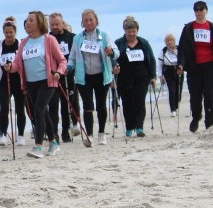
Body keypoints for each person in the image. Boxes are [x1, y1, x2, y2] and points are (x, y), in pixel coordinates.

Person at [5, 11, 67, 158]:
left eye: (31, 20)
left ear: (39, 22)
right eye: (26, 20)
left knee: (39, 110)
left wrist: (59, 72)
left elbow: (62, 60)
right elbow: (17, 64)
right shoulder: (24, 43)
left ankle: (38, 146)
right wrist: (9, 67)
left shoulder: (49, 39)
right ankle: (53, 143)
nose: (27, 23)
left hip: (48, 81)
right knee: (42, 113)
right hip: (30, 83)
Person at [67, 9, 119, 145]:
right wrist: (68, 67)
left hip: (102, 76)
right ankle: (89, 134)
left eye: (91, 19)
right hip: (84, 77)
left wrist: (111, 52)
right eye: (86, 20)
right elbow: (72, 57)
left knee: (101, 105)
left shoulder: (104, 35)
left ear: (96, 20)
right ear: (82, 22)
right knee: (88, 106)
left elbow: (117, 53)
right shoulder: (77, 38)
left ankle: (101, 133)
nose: (88, 22)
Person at [113, 16, 157, 138]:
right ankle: (129, 127)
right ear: (125, 31)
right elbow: (112, 59)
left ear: (137, 31)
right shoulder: (118, 43)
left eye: (134, 31)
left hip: (141, 77)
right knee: (127, 103)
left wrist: (153, 77)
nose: (131, 34)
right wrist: (114, 70)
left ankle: (139, 127)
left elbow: (151, 60)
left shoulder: (143, 43)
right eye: (129, 31)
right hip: (124, 78)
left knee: (139, 102)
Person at [0, 17, 27, 147]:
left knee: (20, 108)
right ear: (3, 33)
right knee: (4, 108)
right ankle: (3, 135)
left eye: (11, 32)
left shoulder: (20, 45)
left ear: (15, 32)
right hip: (4, 82)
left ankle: (20, 135)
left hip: (18, 81)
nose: (9, 35)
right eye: (6, 32)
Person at [177, 1, 213, 132]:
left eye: (201, 9)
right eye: (196, 10)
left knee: (210, 94)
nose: (198, 12)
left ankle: (210, 121)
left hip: (209, 65)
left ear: (206, 10)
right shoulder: (188, 28)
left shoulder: (211, 27)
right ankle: (196, 116)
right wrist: (180, 64)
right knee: (195, 95)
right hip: (194, 66)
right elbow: (181, 48)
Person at [47, 12, 81, 142]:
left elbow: (76, 55)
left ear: (63, 23)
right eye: (52, 24)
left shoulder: (72, 37)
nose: (55, 27)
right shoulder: (48, 38)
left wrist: (70, 68)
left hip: (69, 74)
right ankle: (54, 132)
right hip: (53, 76)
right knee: (54, 105)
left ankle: (69, 128)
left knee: (70, 103)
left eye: (57, 24)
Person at [158, 33, 182, 117]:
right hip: (168, 71)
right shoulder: (163, 51)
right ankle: (173, 109)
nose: (169, 42)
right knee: (172, 90)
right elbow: (160, 64)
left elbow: (183, 59)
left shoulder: (179, 49)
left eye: (171, 40)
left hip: (178, 70)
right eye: (167, 40)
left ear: (174, 41)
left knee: (178, 90)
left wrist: (181, 67)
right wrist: (160, 76)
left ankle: (176, 106)